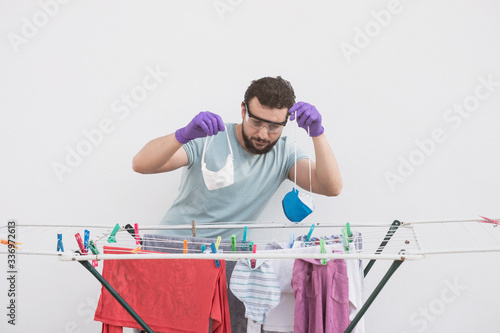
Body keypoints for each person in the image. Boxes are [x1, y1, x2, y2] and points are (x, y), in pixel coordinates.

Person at [132, 76, 342, 239]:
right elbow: (140, 165)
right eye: (257, 122)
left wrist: (318, 133)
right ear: (243, 110)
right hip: (170, 248)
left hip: (224, 261)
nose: (262, 134)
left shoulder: (284, 154)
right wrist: (183, 135)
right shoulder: (209, 136)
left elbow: (332, 188)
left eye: (274, 127)